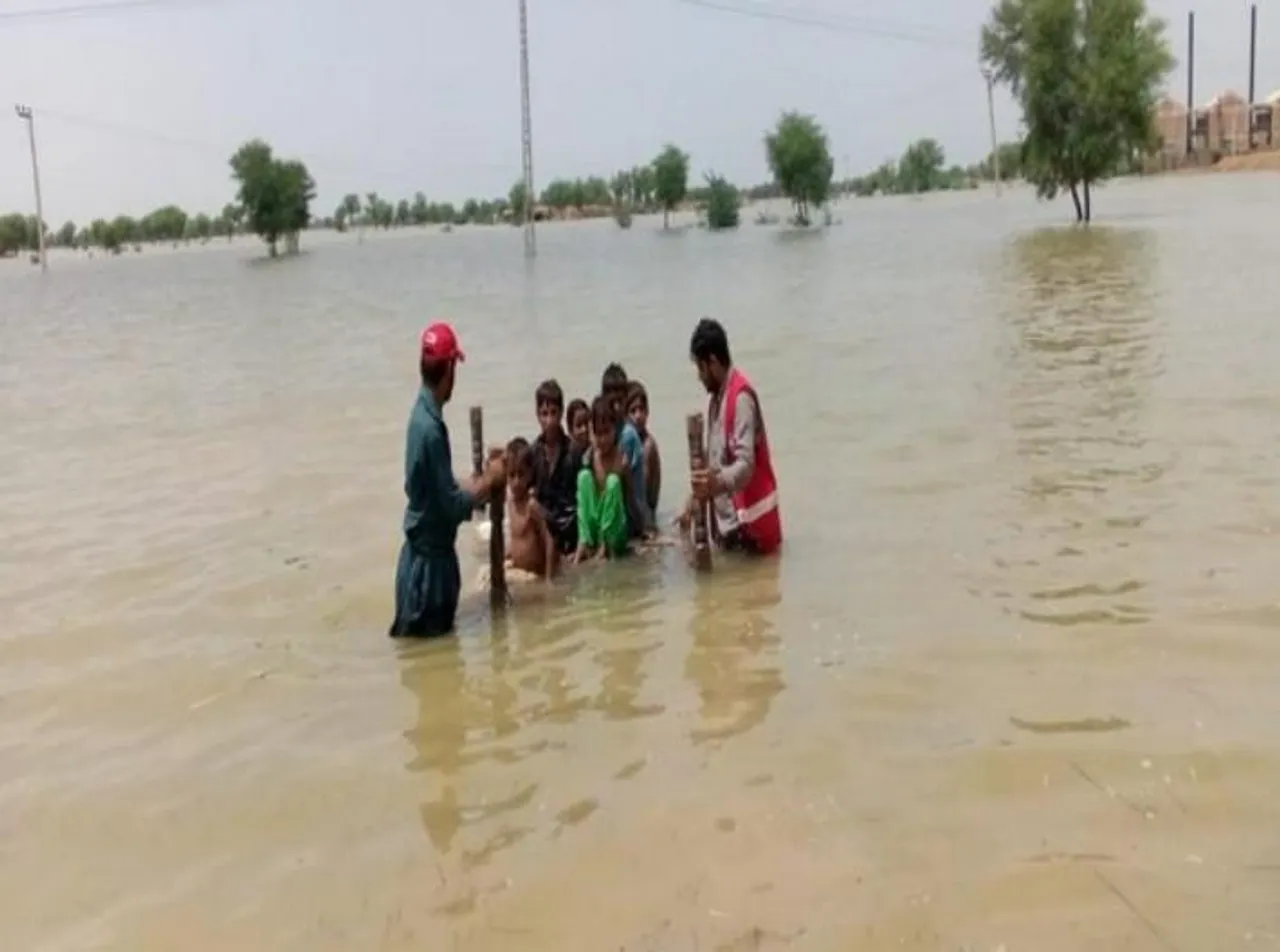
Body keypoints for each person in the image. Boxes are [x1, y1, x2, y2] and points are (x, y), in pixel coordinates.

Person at [389, 322, 505, 638]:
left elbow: (430, 489)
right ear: (450, 370)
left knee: (425, 665)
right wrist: (490, 481)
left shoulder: (421, 417)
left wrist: (472, 484)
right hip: (430, 570)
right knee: (432, 653)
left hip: (416, 561)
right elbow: (452, 505)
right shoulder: (431, 431)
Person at [682, 318, 782, 555]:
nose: (699, 376)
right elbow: (714, 463)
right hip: (729, 530)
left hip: (750, 533)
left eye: (701, 368)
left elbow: (745, 465)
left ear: (713, 362)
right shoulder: (717, 400)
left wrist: (715, 484)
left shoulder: (740, 400)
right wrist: (691, 501)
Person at [575, 396, 632, 562]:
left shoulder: (620, 457)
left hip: (615, 529)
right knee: (583, 477)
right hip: (596, 524)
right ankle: (584, 542)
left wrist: (623, 473)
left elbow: (626, 500)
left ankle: (606, 545)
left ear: (615, 429)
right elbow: (584, 499)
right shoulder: (591, 455)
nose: (603, 439)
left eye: (607, 432)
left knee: (613, 482)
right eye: (598, 433)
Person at [600, 363, 654, 538]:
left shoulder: (628, 435)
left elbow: (625, 487)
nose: (616, 407)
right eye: (611, 402)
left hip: (631, 516)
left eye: (620, 401)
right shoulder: (606, 431)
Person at [531, 379, 580, 556]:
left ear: (561, 413)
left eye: (553, 413)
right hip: (545, 527)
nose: (549, 420)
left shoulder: (573, 451)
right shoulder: (534, 452)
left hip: (569, 528)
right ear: (537, 415)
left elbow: (581, 499)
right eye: (544, 414)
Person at [505, 437, 557, 579]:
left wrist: (549, 579)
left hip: (535, 574)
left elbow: (550, 539)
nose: (516, 482)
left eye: (521, 474)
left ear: (530, 474)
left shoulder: (531, 506)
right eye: (511, 475)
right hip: (519, 570)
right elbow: (516, 536)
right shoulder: (510, 502)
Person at [626, 380, 662, 518]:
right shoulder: (627, 442)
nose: (638, 416)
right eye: (633, 411)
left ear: (648, 411)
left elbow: (642, 492)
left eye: (642, 409)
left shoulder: (648, 445)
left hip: (645, 518)